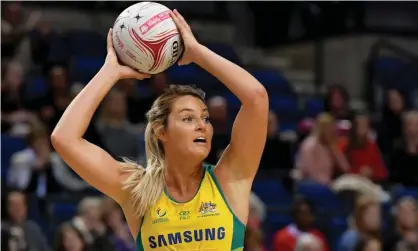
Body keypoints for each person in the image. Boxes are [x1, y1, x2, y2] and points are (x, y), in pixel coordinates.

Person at [51, 9, 268, 251]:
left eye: (205, 118)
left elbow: (256, 98)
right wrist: (109, 72)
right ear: (160, 131)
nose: (201, 125)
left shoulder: (229, 179)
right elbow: (64, 138)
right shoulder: (137, 190)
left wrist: (198, 53)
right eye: (187, 118)